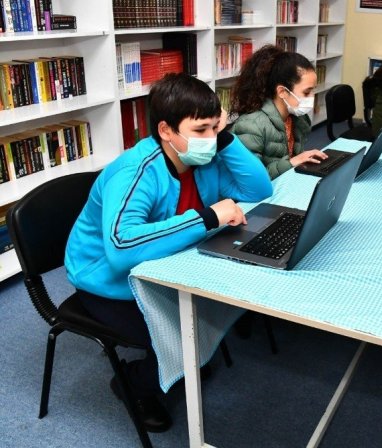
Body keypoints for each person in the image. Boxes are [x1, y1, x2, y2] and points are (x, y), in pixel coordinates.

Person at [64, 73, 273, 432]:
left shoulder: (202, 159)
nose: (209, 139)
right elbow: (121, 248)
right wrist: (207, 218)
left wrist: (225, 137)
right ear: (165, 130)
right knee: (178, 334)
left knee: (207, 315)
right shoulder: (135, 171)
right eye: (200, 130)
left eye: (214, 128)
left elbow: (258, 189)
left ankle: (179, 361)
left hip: (163, 265)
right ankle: (131, 383)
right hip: (106, 279)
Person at [229, 45, 327, 180]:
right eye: (306, 92)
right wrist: (292, 163)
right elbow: (250, 179)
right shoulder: (251, 125)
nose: (312, 98)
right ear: (282, 92)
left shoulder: (297, 118)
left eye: (313, 90)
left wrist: (302, 159)